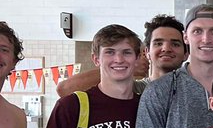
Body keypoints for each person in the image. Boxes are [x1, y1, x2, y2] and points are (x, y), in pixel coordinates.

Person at [56, 13, 187, 99]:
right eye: (158, 43)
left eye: (175, 44)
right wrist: (128, 68)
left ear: (186, 54)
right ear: (146, 52)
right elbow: (65, 89)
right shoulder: (133, 90)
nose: (166, 48)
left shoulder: (196, 90)